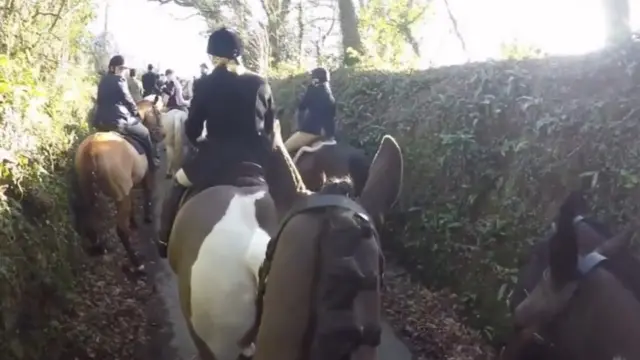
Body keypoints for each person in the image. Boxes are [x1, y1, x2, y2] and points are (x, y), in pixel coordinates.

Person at [157, 27, 276, 258]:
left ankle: (163, 241)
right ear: (238, 53)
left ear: (214, 55)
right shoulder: (261, 83)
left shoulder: (206, 84)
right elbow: (270, 129)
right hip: (255, 163)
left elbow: (191, 129)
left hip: (214, 161)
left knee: (177, 186)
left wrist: (199, 140)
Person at [92, 55, 159, 171]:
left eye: (124, 69)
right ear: (112, 68)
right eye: (121, 69)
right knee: (145, 133)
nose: (123, 72)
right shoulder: (120, 80)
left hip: (100, 120)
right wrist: (136, 113)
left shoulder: (102, 80)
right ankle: (152, 164)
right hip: (118, 121)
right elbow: (127, 99)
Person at [283, 67, 336, 154]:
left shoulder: (313, 91)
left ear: (316, 80)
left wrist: (300, 127)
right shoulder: (330, 95)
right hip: (327, 135)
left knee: (284, 149)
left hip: (310, 132)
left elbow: (302, 108)